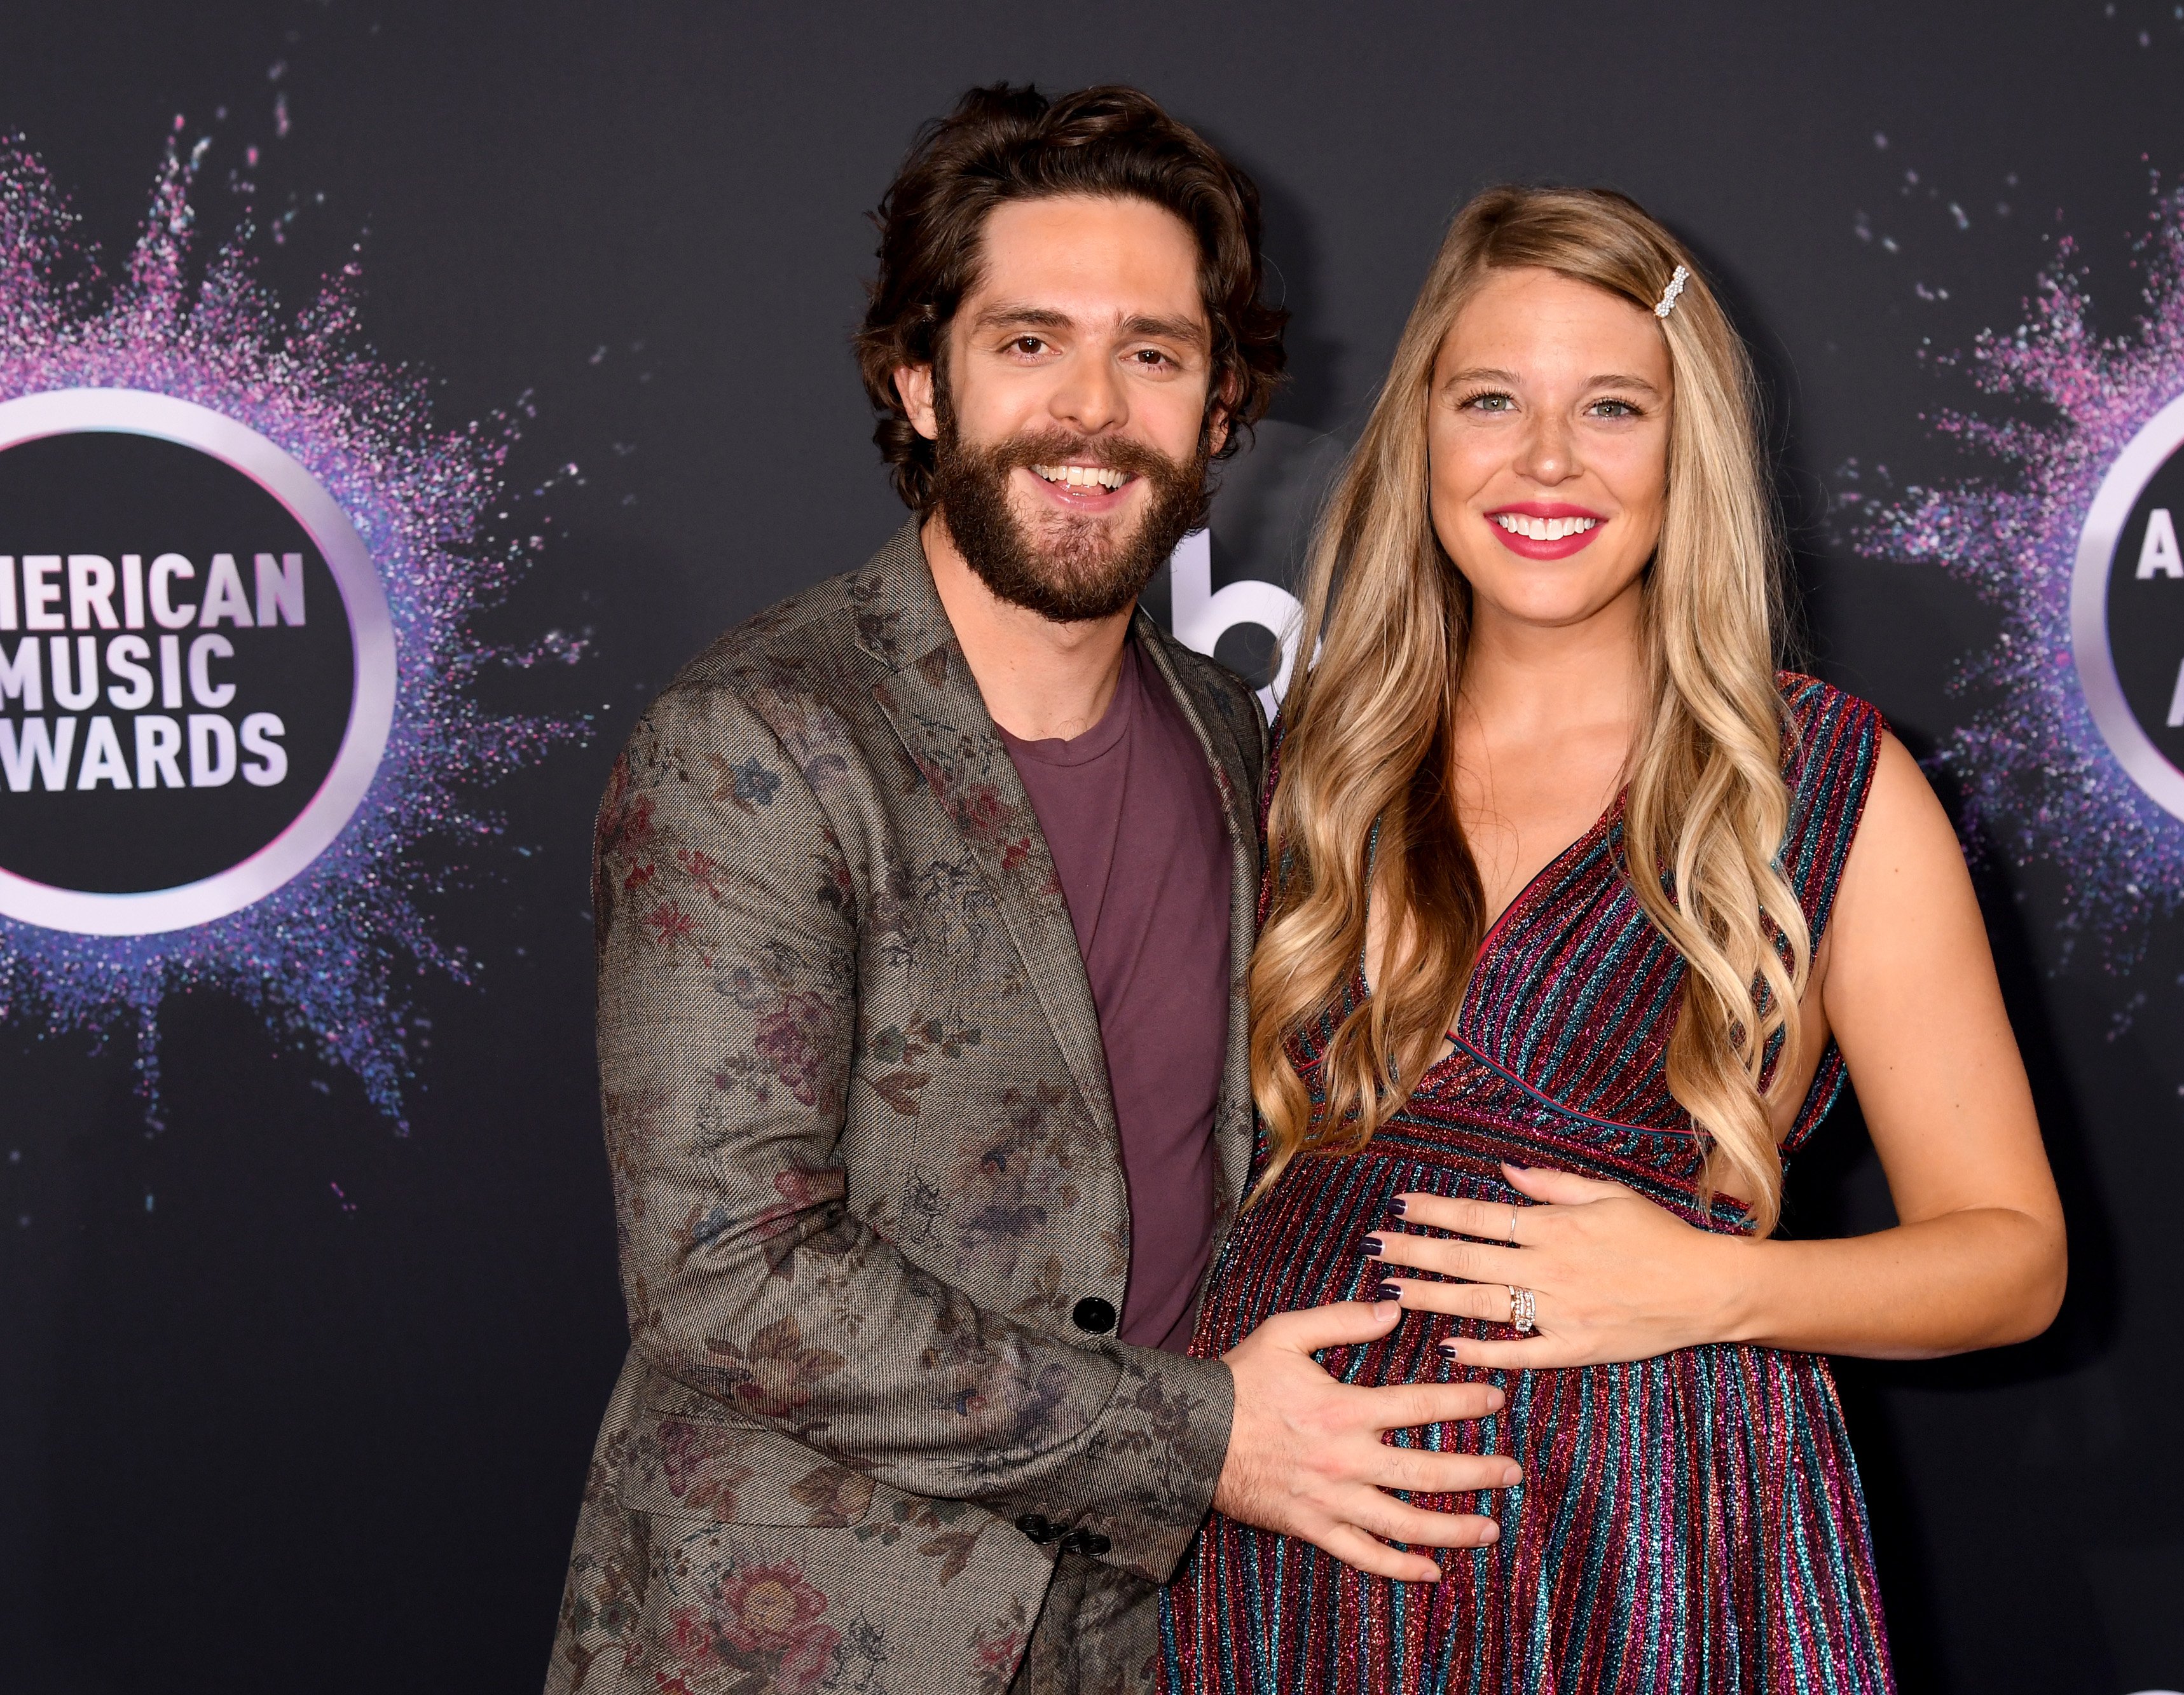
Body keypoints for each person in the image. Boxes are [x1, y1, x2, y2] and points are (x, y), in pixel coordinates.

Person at [546, 86, 1515, 1695]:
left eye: (1153, 352)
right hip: (804, 1636)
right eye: (1026, 344)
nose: (1092, 411)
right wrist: (1204, 1438)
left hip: (1153, 1633)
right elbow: (723, 1266)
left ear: (1219, 408)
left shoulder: (1222, 730)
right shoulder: (760, 739)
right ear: (918, 382)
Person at [1162, 186, 2068, 1692]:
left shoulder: (1819, 783)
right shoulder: (1307, 764)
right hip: (1283, 1562)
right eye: (1491, 399)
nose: (1544, 461)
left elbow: (2011, 1260)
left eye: (1610, 408)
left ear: (1685, 447)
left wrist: (1707, 1285)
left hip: (1644, 1546)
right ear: (1422, 437)